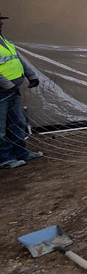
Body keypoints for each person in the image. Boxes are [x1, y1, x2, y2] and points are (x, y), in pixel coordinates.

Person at [0, 12, 43, 169]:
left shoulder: (4, 41)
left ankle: (21, 152)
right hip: (3, 92)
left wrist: (31, 75)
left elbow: (17, 59)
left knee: (17, 123)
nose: (2, 24)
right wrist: (8, 86)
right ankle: (5, 158)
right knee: (1, 128)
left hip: (12, 90)